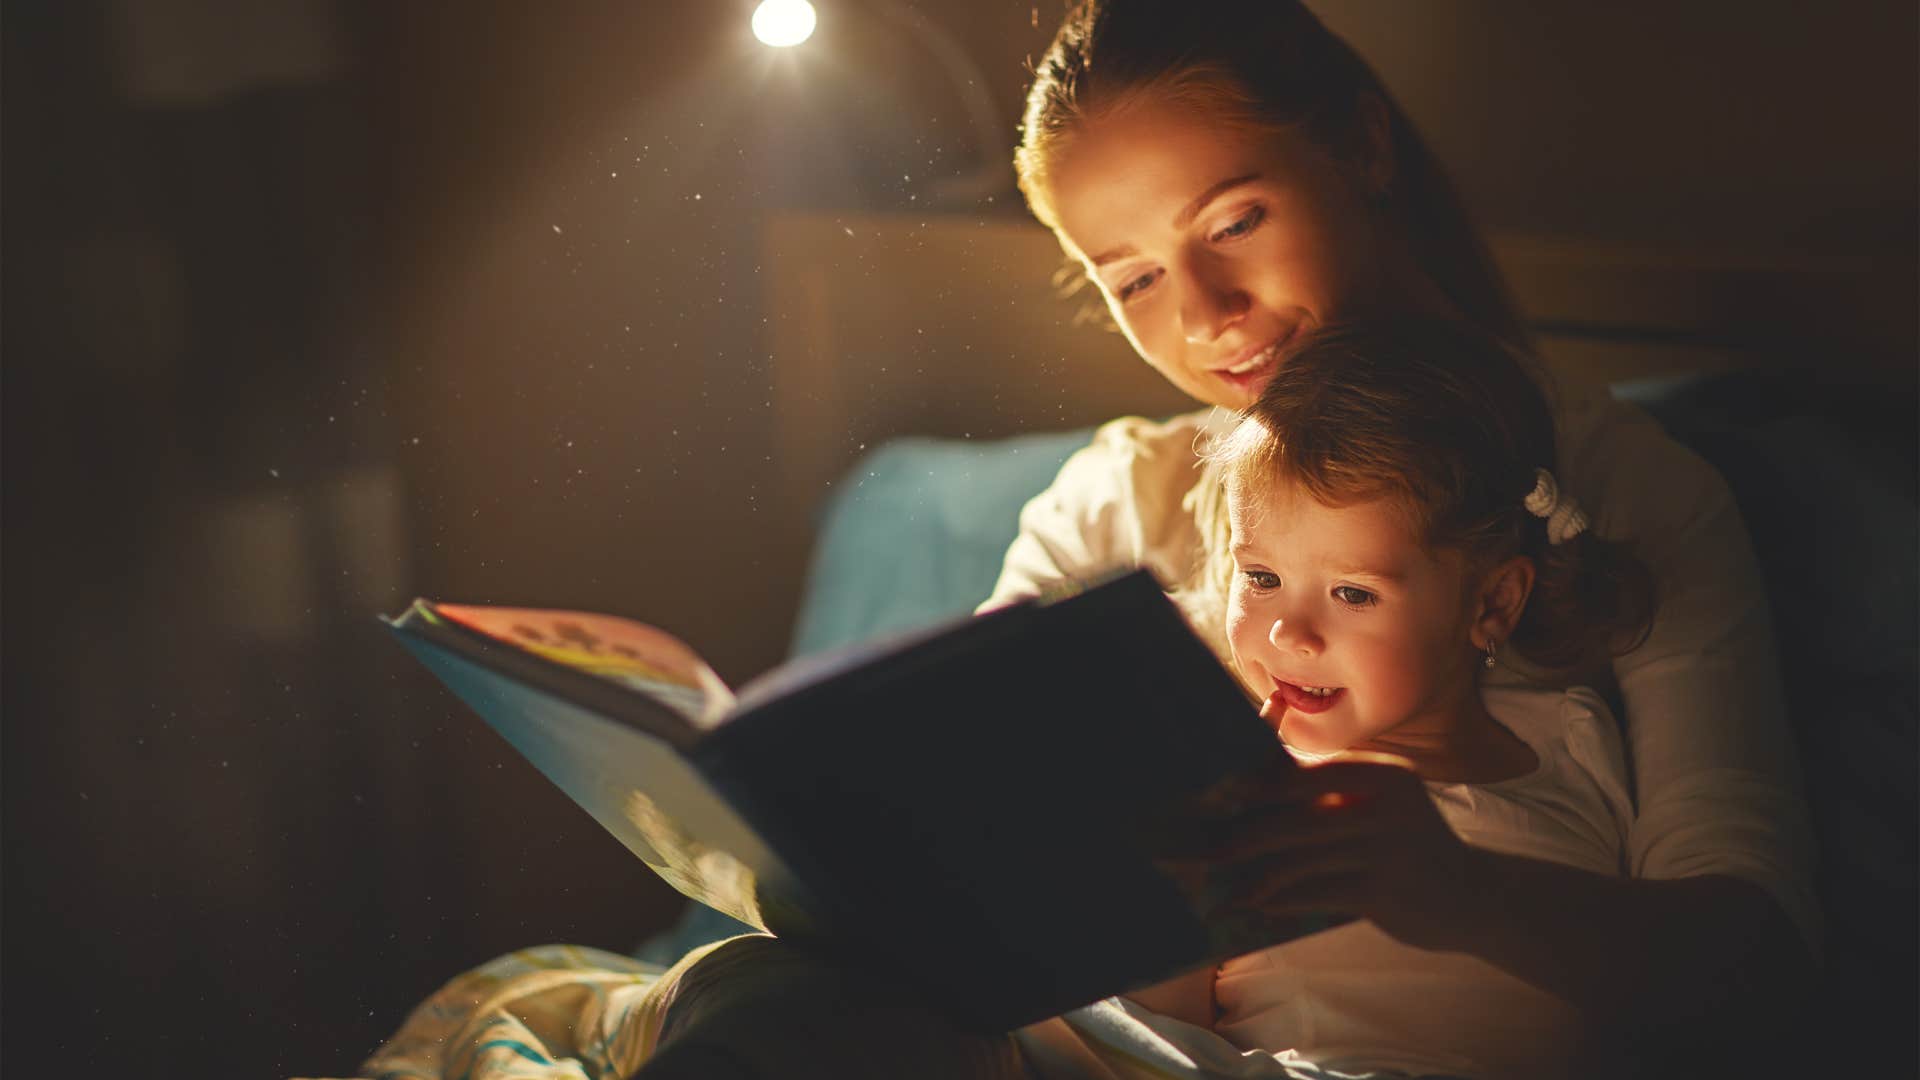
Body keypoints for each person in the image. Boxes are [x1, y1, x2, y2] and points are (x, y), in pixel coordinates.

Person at [988, 3, 1818, 1071]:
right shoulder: (1107, 507)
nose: (1204, 313)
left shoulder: (1629, 497)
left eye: (1234, 222)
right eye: (1135, 279)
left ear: (1361, 149)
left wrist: (1459, 892)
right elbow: (978, 820)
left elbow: (1763, 976)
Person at [1019, 317, 1654, 1078]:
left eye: (1353, 593)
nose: (1289, 632)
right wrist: (1177, 903)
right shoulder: (1241, 788)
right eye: (1260, 579)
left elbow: (1650, 991)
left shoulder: (1573, 738)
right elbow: (1164, 1035)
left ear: (1492, 604)